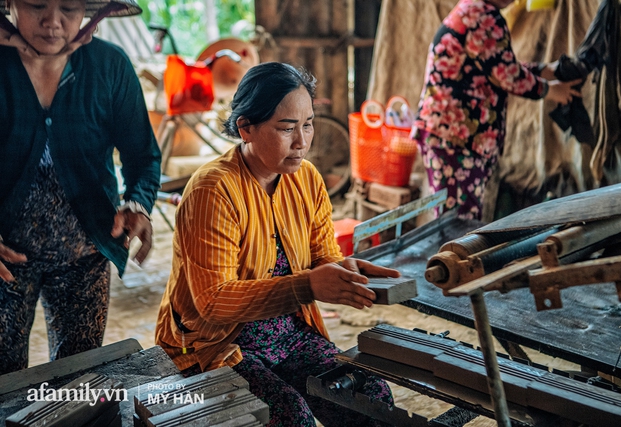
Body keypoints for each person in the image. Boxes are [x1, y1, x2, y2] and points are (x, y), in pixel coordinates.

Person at [155, 62, 399, 426]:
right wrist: (308, 285)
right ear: (246, 128)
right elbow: (211, 302)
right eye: (286, 128)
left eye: (308, 124)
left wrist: (342, 270)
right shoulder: (214, 189)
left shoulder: (307, 179)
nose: (301, 142)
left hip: (291, 335)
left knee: (371, 395)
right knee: (290, 417)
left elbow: (322, 254)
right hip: (218, 344)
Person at [0, 0, 161, 375]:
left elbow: (142, 155)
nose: (52, 22)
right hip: (5, 260)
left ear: (92, 14)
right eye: (36, 4)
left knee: (78, 376)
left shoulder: (109, 65)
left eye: (70, 8)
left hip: (86, 253)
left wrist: (138, 203)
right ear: (10, 4)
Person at [411, 0, 582, 220]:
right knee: (459, 222)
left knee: (456, 217)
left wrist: (546, 70)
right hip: (455, 137)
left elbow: (496, 63)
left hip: (449, 134)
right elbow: (507, 76)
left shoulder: (472, 10)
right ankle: (454, 255)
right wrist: (551, 91)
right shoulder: (483, 16)